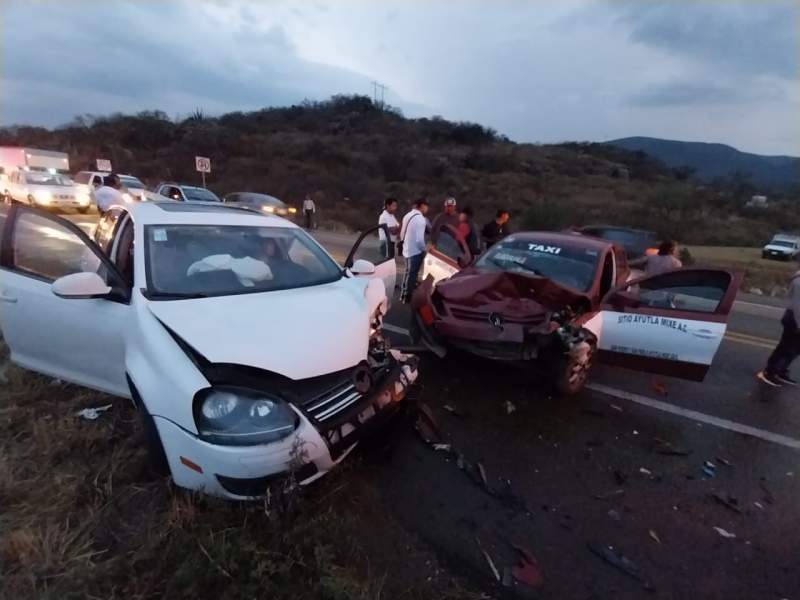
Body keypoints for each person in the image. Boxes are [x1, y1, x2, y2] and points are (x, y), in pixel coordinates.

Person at [757, 267, 800, 387]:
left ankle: (780, 371)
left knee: (793, 349)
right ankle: (769, 372)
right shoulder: (798, 281)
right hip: (795, 319)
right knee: (788, 347)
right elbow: (798, 305)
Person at [399, 198, 429, 304]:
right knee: (412, 275)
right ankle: (408, 297)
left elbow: (402, 233)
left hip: (406, 249)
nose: (427, 209)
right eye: (426, 206)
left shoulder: (407, 216)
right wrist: (424, 249)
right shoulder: (421, 219)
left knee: (407, 273)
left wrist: (404, 244)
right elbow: (419, 239)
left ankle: (403, 295)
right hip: (415, 251)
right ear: (422, 206)